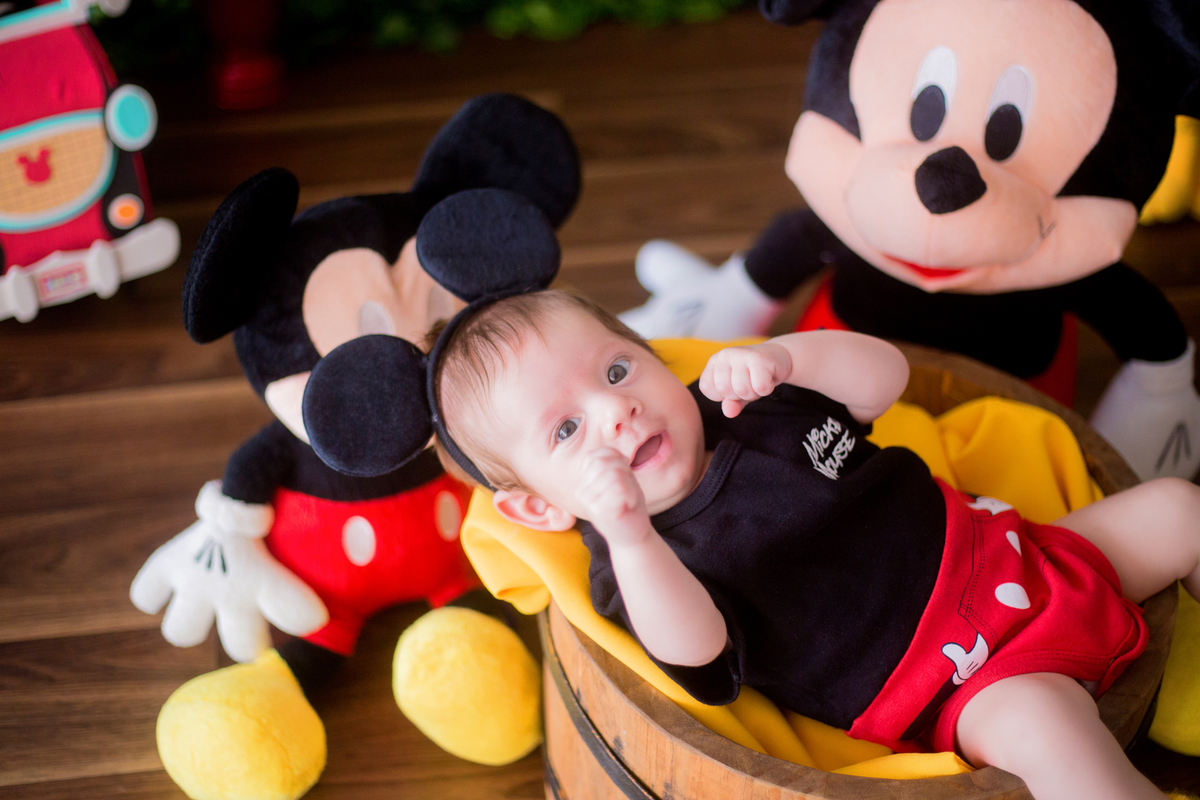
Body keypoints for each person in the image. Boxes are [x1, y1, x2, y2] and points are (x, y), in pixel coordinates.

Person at [430, 289, 1200, 800]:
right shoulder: (639, 565)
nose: (616, 412)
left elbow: (884, 381)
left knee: (1178, 508)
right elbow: (698, 660)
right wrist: (630, 537)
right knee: (1053, 738)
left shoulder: (744, 398)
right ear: (535, 507)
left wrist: (790, 358)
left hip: (1021, 551)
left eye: (619, 369)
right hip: (964, 680)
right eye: (566, 430)